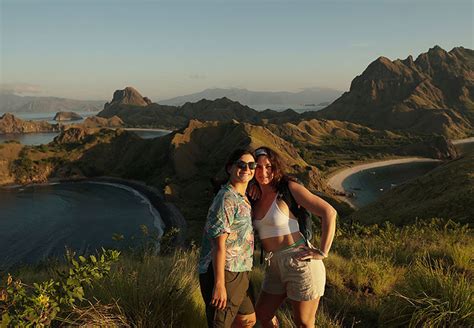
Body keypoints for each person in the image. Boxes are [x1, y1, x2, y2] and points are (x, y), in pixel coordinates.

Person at [251, 147, 337, 328]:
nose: (264, 172)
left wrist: (322, 251)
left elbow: (329, 212)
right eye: (258, 167)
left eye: (268, 166)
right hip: (273, 265)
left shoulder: (288, 188)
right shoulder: (253, 196)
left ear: (275, 167)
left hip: (299, 261)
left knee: (304, 323)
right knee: (262, 316)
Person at [198, 148, 258, 328]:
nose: (246, 168)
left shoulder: (242, 197)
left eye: (251, 165)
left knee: (248, 319)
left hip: (241, 270)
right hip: (225, 271)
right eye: (241, 164)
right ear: (230, 168)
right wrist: (219, 285)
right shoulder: (226, 199)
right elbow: (218, 246)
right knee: (220, 324)